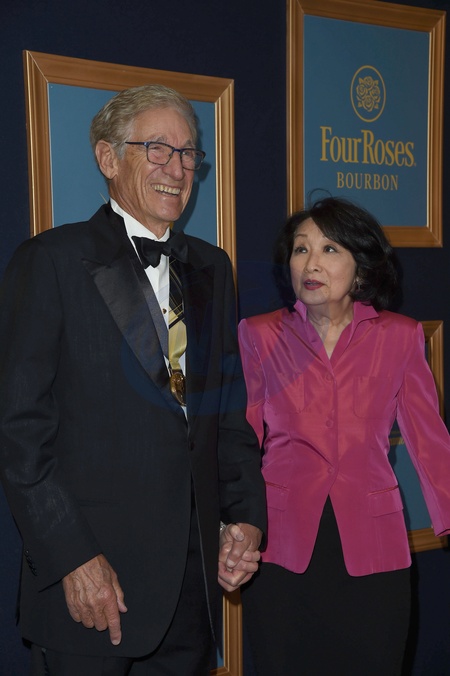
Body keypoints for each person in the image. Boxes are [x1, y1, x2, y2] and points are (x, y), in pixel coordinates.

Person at [0, 84, 266, 676]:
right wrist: (73, 559)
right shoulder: (50, 260)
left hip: (190, 593)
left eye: (188, 152)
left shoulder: (213, 267)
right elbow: (18, 432)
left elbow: (227, 415)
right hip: (91, 588)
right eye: (157, 149)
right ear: (107, 157)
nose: (178, 167)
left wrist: (245, 518)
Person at [238, 196, 450, 676]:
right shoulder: (260, 335)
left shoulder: (401, 336)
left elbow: (430, 440)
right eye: (301, 249)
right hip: (280, 548)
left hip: (375, 549)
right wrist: (231, 526)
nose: (311, 263)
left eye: (329, 249)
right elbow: (242, 443)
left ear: (361, 268)